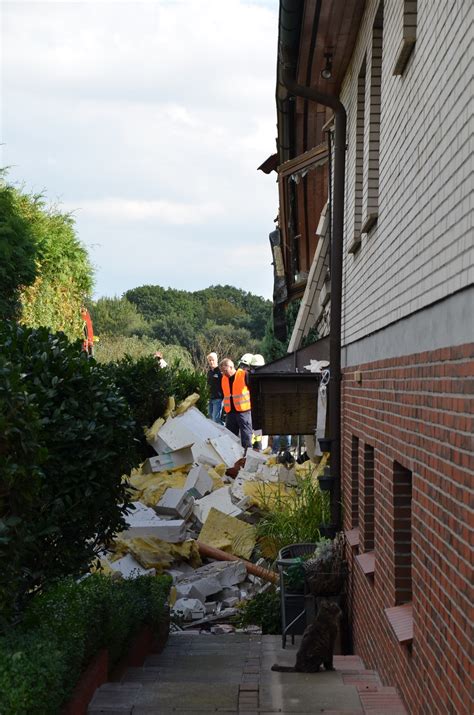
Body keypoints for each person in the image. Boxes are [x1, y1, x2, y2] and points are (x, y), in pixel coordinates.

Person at [220, 358, 253, 449]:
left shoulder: (244, 375)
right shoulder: (223, 379)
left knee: (246, 437)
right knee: (230, 438)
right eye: (222, 371)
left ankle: (247, 456)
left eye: (225, 370)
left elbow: (253, 391)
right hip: (230, 412)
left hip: (244, 412)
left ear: (231, 367)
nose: (224, 373)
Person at [206, 352, 224, 424]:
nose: (211, 362)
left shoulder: (220, 372)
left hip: (218, 399)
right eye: (209, 360)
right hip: (210, 398)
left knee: (216, 419)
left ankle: (222, 434)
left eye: (212, 360)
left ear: (216, 360)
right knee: (210, 419)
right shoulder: (209, 372)